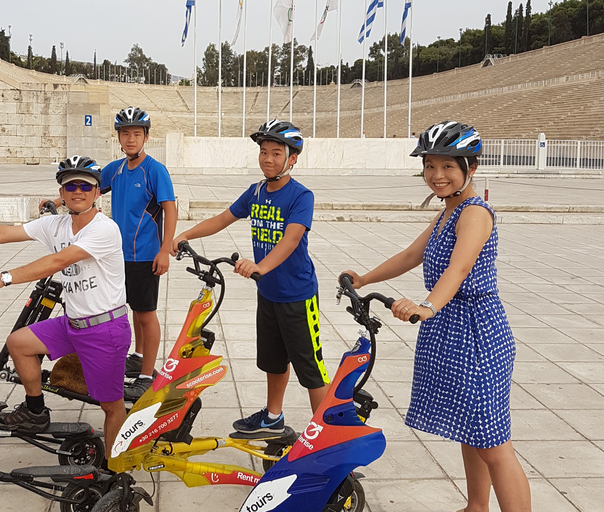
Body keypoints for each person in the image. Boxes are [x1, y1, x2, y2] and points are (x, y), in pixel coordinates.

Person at [340, 121, 532, 512]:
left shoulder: (474, 213)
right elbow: (412, 255)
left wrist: (427, 306)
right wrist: (364, 277)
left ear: (470, 168)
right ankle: (476, 507)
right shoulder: (448, 212)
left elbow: (458, 270)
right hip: (451, 329)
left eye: (448, 166)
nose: (436, 175)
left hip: (478, 333)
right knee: (472, 431)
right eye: (430, 166)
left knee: (494, 444)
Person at [0, 156, 130, 460]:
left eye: (85, 185)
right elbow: (0, 233)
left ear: (97, 193)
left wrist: (4, 278)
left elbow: (59, 261)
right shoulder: (56, 224)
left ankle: (115, 468)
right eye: (70, 185)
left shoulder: (104, 230)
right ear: (62, 191)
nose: (77, 190)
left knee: (111, 405)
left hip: (104, 329)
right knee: (19, 343)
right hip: (73, 323)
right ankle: (35, 411)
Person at [172, 120, 329, 435]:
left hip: (297, 295)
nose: (268, 159)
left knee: (311, 370)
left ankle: (326, 436)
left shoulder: (301, 196)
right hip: (268, 294)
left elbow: (291, 240)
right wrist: (184, 234)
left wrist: (261, 266)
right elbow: (223, 218)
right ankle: (273, 418)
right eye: (263, 152)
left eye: (276, 153)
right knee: (273, 360)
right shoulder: (256, 192)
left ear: (292, 158)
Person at [102, 106, 177, 401]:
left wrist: (164, 249)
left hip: (146, 254)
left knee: (147, 313)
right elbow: (90, 184)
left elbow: (170, 209)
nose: (130, 139)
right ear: (118, 137)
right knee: (133, 309)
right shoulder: (117, 169)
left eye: (136, 133)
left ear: (146, 136)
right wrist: (57, 200)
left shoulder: (154, 170)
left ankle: (147, 375)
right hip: (118, 257)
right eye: (125, 133)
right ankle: (138, 354)